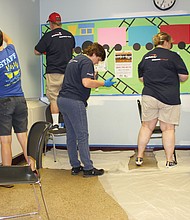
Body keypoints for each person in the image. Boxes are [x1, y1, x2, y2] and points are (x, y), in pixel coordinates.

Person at [57, 42, 116, 177]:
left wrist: (93, 76)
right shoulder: (86, 61)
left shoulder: (74, 59)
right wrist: (104, 83)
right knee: (82, 135)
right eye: (98, 60)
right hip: (74, 101)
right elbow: (86, 83)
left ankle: (75, 166)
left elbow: (78, 81)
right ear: (94, 54)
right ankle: (88, 168)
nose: (97, 63)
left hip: (63, 100)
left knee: (71, 135)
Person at [136, 32, 189, 168]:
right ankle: (169, 160)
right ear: (166, 42)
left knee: (146, 127)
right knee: (168, 129)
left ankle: (140, 157)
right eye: (171, 42)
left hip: (149, 95)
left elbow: (141, 78)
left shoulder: (146, 56)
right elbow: (184, 77)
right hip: (169, 97)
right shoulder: (173, 56)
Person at [0, 31, 34, 172]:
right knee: (23, 137)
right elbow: (9, 38)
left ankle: (7, 177)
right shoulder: (11, 50)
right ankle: (33, 169)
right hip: (20, 99)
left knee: (5, 140)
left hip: (4, 101)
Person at [34, 12, 75, 128]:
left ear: (51, 23)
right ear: (60, 23)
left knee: (54, 98)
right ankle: (68, 124)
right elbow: (71, 51)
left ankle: (56, 124)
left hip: (54, 72)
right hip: (68, 73)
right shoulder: (69, 35)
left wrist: (47, 51)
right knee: (67, 98)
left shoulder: (48, 36)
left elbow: (37, 51)